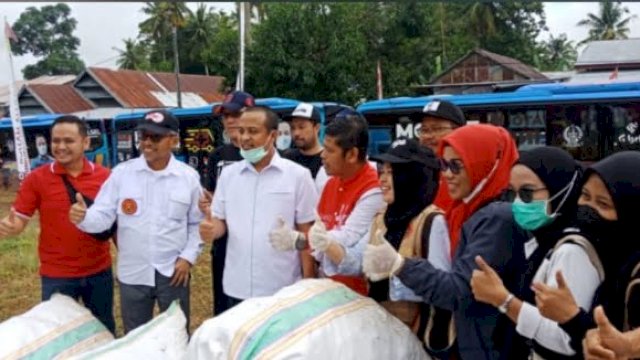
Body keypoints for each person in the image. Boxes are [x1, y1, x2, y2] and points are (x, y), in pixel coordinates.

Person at [363, 124, 529, 360]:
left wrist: (401, 265)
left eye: (456, 165)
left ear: (484, 165)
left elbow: (458, 290)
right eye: (443, 164)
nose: (447, 174)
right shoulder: (468, 210)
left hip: (489, 345)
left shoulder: (494, 219)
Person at [70, 110, 204, 333]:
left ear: (173, 140)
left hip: (173, 271)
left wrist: (188, 258)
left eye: (155, 137)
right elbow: (103, 217)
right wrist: (84, 217)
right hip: (134, 272)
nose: (147, 143)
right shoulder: (122, 174)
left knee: (177, 333)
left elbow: (197, 223)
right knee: (135, 335)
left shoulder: (188, 177)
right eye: (143, 136)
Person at [469, 146, 587, 359]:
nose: (517, 202)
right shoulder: (542, 241)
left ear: (561, 188)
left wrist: (503, 299)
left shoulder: (571, 251)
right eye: (512, 193)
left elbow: (565, 339)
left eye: (526, 192)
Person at [0, 115, 114, 334]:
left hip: (99, 270)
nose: (60, 147)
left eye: (69, 141)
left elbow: (116, 224)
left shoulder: (106, 177)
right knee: (59, 333)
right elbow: (20, 218)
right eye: (56, 141)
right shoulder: (37, 179)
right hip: (56, 274)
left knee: (103, 328)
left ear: (86, 143)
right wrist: (11, 226)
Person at [199, 106, 318, 309]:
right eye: (241, 130)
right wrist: (211, 228)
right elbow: (220, 222)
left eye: (253, 131)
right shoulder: (229, 176)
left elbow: (307, 232)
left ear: (272, 135)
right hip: (236, 287)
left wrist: (308, 285)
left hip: (282, 287)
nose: (244, 137)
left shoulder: (298, 176)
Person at [527, 151, 640, 356]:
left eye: (603, 204)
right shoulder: (613, 258)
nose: (588, 209)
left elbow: (615, 344)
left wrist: (571, 316)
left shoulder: (635, 273)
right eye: (585, 196)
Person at [307, 109, 384, 295]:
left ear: (351, 155)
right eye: (324, 147)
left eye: (330, 150)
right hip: (328, 286)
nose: (322, 155)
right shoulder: (331, 181)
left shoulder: (374, 188)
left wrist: (307, 240)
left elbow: (348, 238)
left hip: (357, 293)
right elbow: (320, 229)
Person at [203, 90, 255, 316]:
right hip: (223, 244)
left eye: (236, 114)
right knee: (224, 310)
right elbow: (212, 199)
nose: (230, 120)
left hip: (256, 247)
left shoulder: (268, 155)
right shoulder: (217, 156)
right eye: (226, 116)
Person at [416, 100, 467, 213]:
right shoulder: (415, 171)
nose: (428, 136)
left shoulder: (467, 172)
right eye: (424, 130)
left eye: (437, 129)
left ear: (459, 130)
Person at [282, 102, 324, 179]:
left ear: (317, 128)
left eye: (301, 127)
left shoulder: (326, 160)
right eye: (293, 128)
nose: (296, 133)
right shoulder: (287, 158)